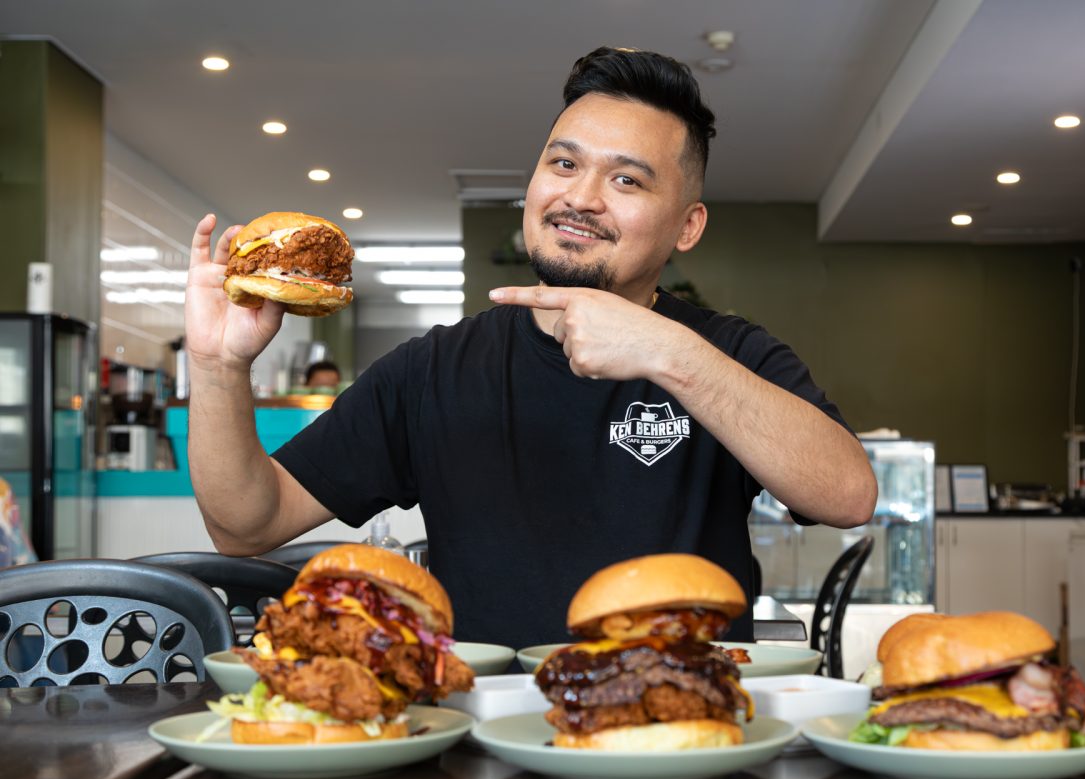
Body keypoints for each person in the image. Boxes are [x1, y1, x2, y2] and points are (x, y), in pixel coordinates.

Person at [184, 47, 877, 650]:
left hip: (683, 741)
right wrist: (218, 368)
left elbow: (848, 494)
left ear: (687, 226)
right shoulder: (432, 371)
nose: (581, 196)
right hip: (483, 743)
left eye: (627, 179)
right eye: (564, 163)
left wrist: (673, 354)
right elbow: (247, 525)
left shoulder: (730, 353)